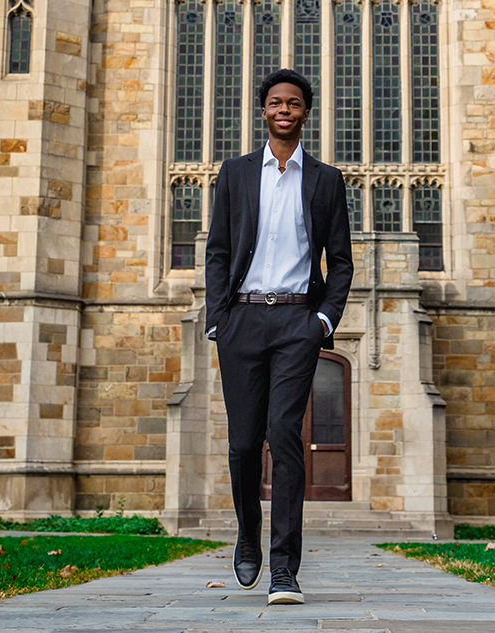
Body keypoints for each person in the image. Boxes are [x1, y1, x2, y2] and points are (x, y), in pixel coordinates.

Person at [205, 69, 354, 605]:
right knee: (244, 444)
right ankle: (248, 533)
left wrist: (324, 322)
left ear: (305, 113)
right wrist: (218, 318)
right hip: (241, 320)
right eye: (275, 102)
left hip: (297, 322)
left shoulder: (326, 181)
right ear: (263, 111)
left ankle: (285, 570)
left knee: (285, 438)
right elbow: (218, 250)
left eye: (294, 102)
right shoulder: (236, 173)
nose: (284, 109)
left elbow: (341, 262)